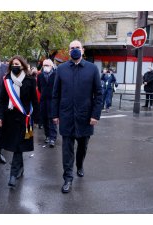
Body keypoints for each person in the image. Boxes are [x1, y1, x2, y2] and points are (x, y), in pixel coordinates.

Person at [52, 40, 103, 194]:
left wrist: (95, 115)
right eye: (72, 48)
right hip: (66, 116)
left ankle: (79, 164)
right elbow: (56, 95)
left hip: (85, 117)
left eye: (77, 48)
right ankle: (68, 178)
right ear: (69, 51)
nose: (75, 50)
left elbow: (98, 94)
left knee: (82, 147)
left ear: (83, 50)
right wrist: (55, 114)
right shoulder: (61, 69)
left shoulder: (92, 69)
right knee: (67, 149)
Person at [0, 55, 38, 187]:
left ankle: (13, 175)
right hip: (10, 118)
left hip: (25, 118)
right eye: (13, 64)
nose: (15, 66)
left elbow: (34, 101)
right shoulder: (6, 80)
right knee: (16, 145)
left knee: (18, 146)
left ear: (23, 66)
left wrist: (36, 118)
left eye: (18, 64)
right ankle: (20, 168)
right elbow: (2, 101)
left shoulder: (30, 80)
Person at [37, 59, 57, 147]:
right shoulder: (40, 75)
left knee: (52, 119)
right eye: (44, 65)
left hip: (53, 100)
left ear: (52, 66)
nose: (46, 67)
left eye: (47, 65)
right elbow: (40, 88)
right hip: (43, 100)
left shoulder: (56, 75)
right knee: (44, 119)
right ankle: (47, 136)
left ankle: (53, 138)